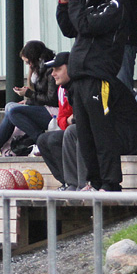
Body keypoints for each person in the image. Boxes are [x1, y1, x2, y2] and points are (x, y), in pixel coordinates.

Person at [56, 0, 137, 191]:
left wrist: (76, 1)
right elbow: (70, 28)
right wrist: (64, 4)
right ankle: (93, 180)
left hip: (98, 77)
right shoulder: (95, 4)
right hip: (80, 78)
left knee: (102, 131)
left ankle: (110, 182)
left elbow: (86, 26)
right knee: (85, 134)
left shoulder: (117, 4)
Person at [0, 40, 58, 156]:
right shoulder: (38, 71)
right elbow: (40, 95)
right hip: (44, 107)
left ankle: (39, 140)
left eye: (28, 62)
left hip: (53, 111)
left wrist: (28, 93)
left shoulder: (50, 71)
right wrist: (29, 100)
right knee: (10, 107)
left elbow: (52, 99)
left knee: (13, 112)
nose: (29, 66)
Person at [35, 53, 88, 191]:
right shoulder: (62, 89)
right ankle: (66, 182)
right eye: (52, 70)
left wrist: (70, 120)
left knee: (58, 138)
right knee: (42, 139)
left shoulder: (81, 85)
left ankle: (80, 183)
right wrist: (68, 120)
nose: (53, 74)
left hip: (89, 131)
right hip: (71, 127)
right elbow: (61, 119)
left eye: (57, 69)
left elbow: (82, 118)